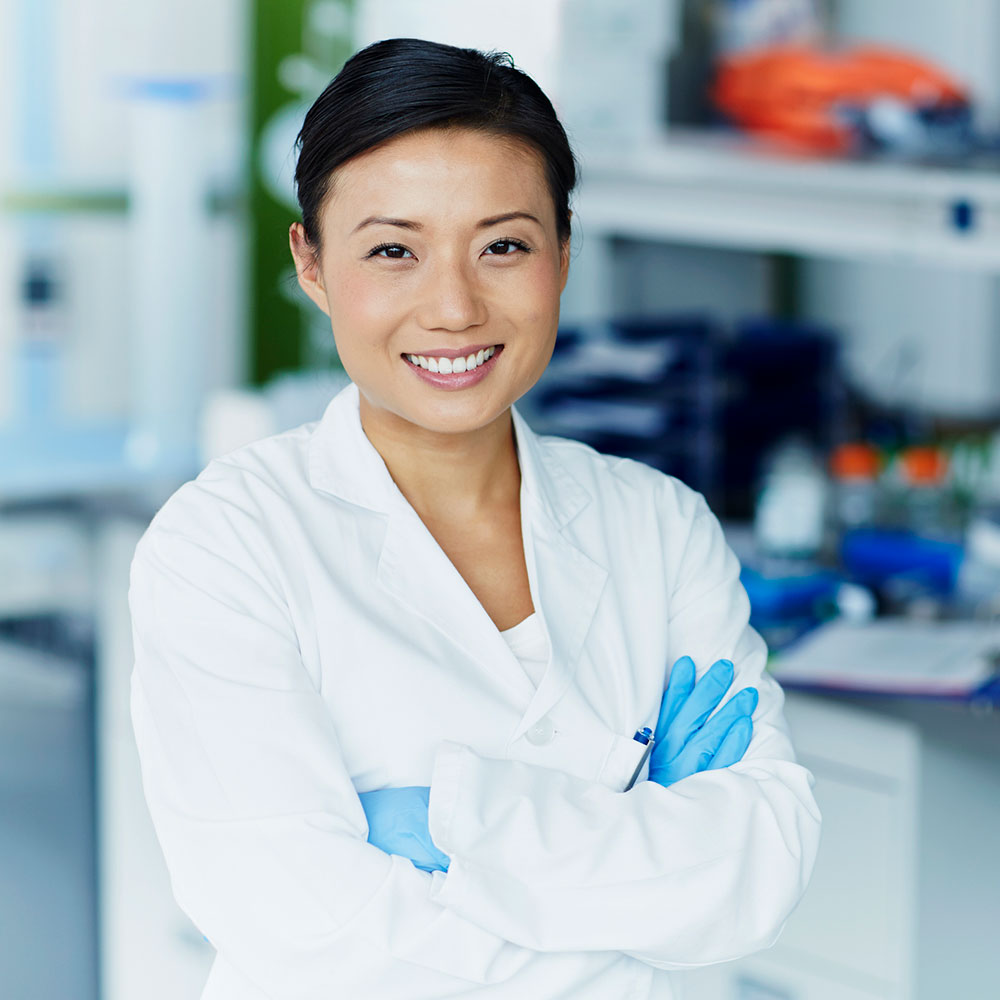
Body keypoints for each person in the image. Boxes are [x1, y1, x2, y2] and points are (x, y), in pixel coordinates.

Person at [128, 37, 821, 1000]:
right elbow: (301, 927)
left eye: (503, 245)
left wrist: (456, 819)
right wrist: (628, 870)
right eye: (393, 251)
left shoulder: (658, 527)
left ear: (563, 255)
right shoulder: (226, 545)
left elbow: (759, 869)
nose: (453, 306)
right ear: (313, 264)